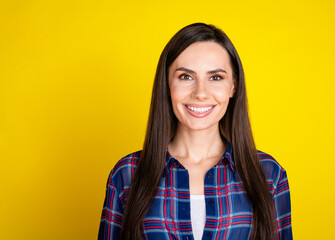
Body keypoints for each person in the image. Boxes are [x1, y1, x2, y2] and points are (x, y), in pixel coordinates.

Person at [98, 23, 292, 240]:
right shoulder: (127, 174)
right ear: (167, 84)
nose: (200, 93)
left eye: (216, 77)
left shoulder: (269, 174)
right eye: (185, 76)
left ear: (233, 87)